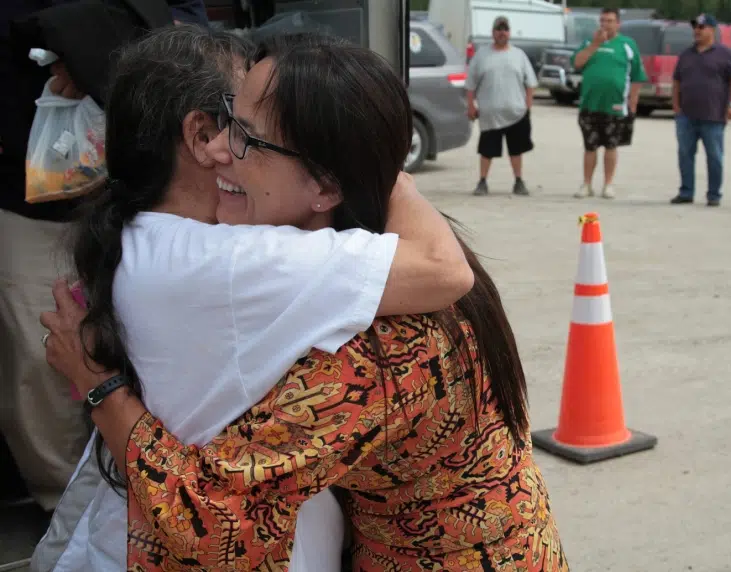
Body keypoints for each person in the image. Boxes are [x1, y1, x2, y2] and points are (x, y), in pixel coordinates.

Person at [41, 34, 569, 571]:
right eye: (230, 118)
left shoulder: (375, 345)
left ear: (324, 186)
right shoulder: (380, 259)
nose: (219, 148)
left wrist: (100, 387)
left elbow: (213, 525)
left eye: (247, 137)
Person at [0, 0, 181, 514]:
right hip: (26, 198)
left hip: (144, 190)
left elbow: (179, 24)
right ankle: (66, 509)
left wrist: (92, 58)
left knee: (147, 349)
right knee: (41, 363)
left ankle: (149, 498)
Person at [571, 7, 646, 200]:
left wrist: (633, 102)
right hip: (589, 104)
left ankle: (608, 184)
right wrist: (595, 44)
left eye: (609, 21)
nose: (605, 24)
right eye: (602, 20)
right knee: (590, 146)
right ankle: (586, 184)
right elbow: (577, 63)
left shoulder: (627, 45)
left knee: (611, 146)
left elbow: (637, 75)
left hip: (615, 105)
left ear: (618, 23)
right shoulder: (589, 43)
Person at [669, 13, 731, 208]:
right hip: (686, 115)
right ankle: (686, 192)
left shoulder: (724, 54)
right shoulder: (686, 54)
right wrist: (676, 105)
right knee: (685, 154)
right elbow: (676, 81)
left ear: (712, 30)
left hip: (713, 115)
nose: (697, 31)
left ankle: (714, 194)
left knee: (715, 156)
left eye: (702, 27)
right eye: (695, 28)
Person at [465, 15, 538, 197]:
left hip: (516, 112)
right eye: (498, 29)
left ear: (509, 32)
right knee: (486, 151)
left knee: (516, 150)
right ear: (493, 32)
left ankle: (518, 181)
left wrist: (528, 105)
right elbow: (470, 85)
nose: (501, 33)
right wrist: (470, 106)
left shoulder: (518, 55)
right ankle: (482, 182)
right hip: (490, 114)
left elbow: (530, 83)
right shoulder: (482, 55)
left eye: (505, 29)